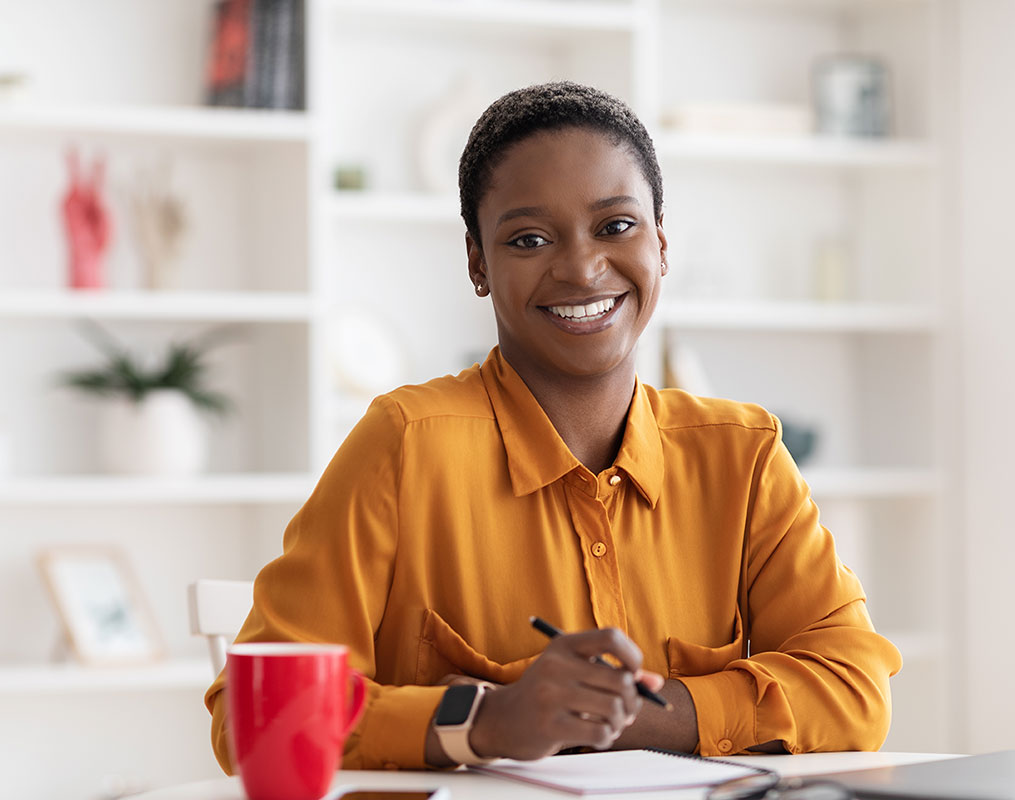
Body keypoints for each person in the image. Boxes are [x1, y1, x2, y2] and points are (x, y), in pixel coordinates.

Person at [205, 81, 902, 771]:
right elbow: (252, 718)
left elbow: (853, 687)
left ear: (661, 245)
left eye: (615, 226)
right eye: (529, 238)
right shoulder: (404, 445)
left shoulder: (743, 457)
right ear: (478, 263)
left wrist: (627, 717)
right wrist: (489, 722)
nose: (581, 267)